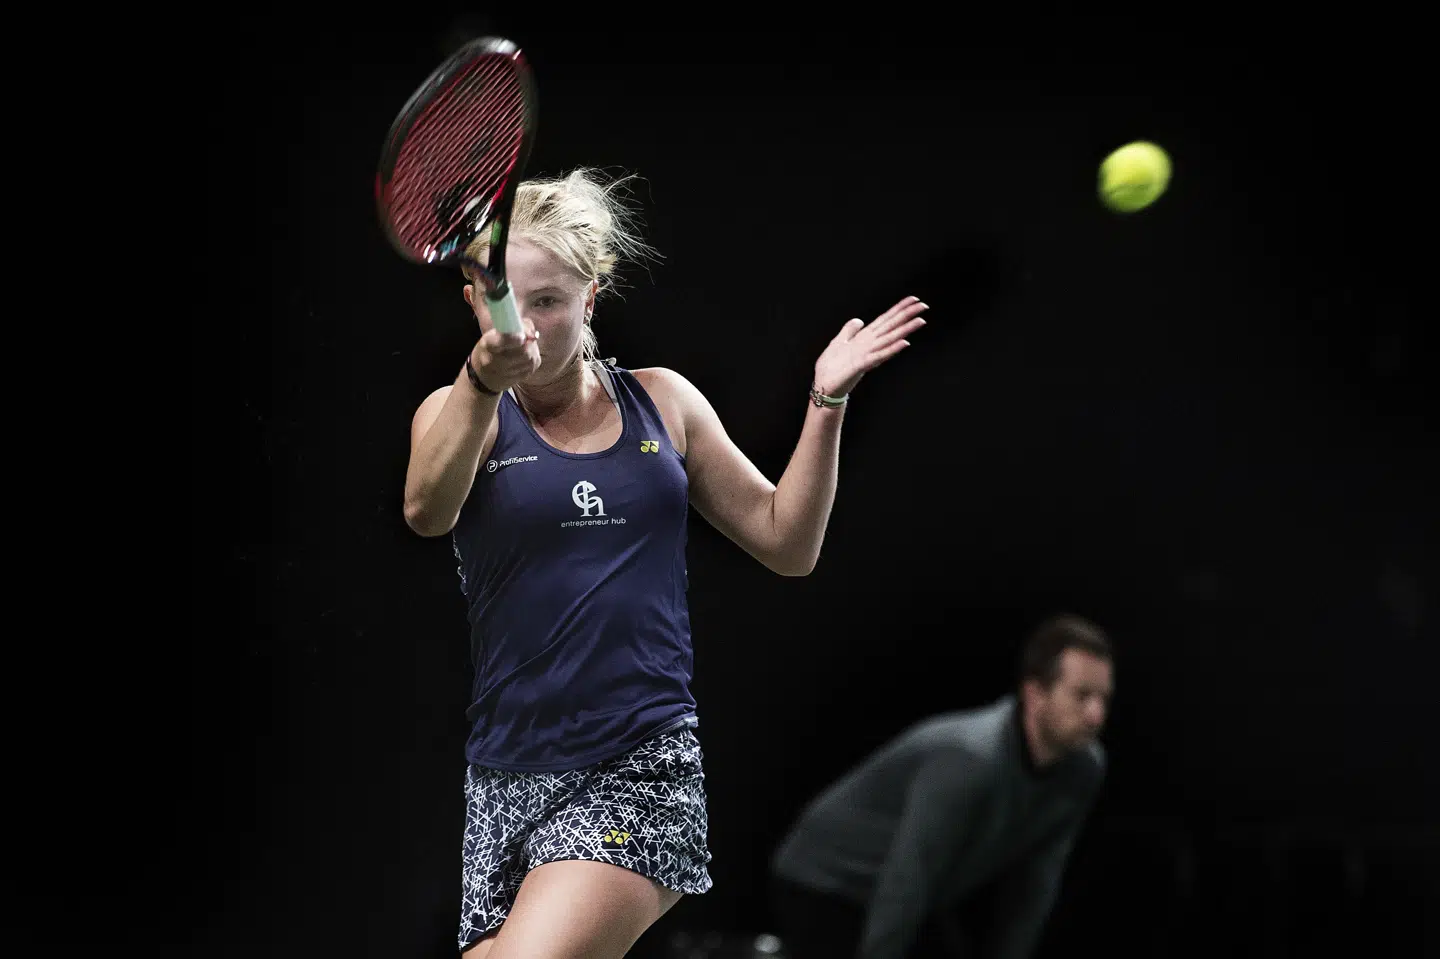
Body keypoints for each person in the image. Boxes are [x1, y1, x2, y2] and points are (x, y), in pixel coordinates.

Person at [401, 167, 929, 959]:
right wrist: (481, 381)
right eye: (510, 298)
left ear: (593, 293)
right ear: (477, 299)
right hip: (505, 777)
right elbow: (426, 511)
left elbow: (787, 542)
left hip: (640, 766)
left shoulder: (666, 404)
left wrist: (827, 403)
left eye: (550, 301)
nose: (531, 325)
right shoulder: (456, 414)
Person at [769, 614, 1114, 959]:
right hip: (827, 877)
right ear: (1035, 693)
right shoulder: (973, 759)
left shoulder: (1083, 768)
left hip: (915, 888)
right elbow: (908, 876)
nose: (1096, 715)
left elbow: (1036, 886)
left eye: (1103, 699)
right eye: (1082, 696)